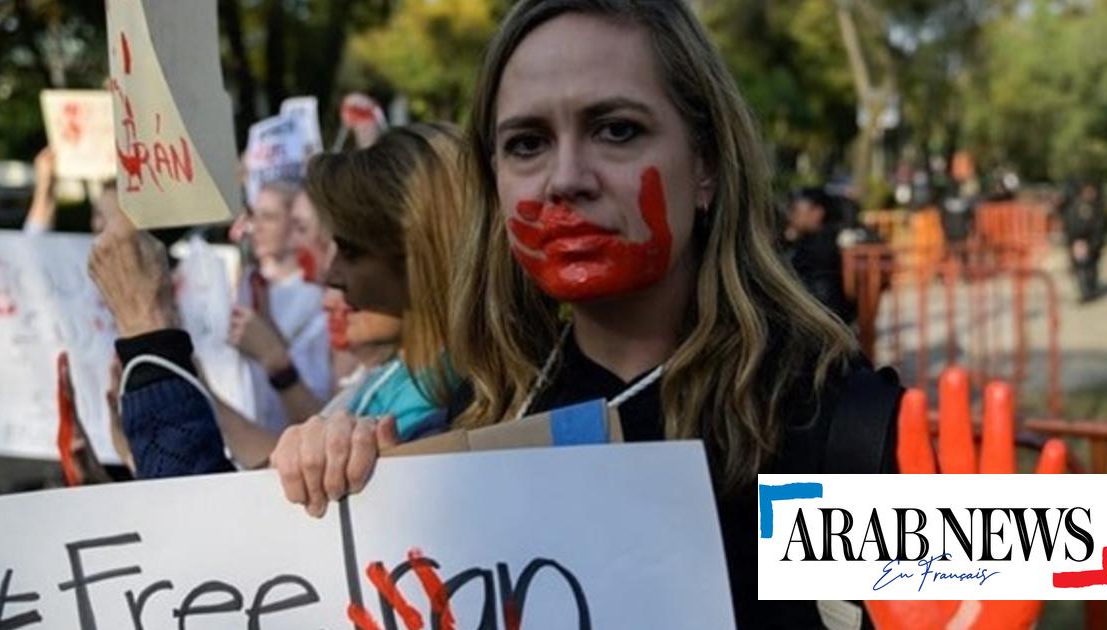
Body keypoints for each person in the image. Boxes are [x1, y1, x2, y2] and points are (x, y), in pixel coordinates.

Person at [271, 2, 902, 627]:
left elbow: (952, 602)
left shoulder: (815, 423)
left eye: (617, 130)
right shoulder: (474, 424)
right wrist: (335, 476)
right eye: (527, 143)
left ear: (705, 163)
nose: (565, 179)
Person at [89, 122, 468, 477]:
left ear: (425, 259)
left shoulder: (430, 411)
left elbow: (221, 527)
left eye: (351, 252)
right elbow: (267, 482)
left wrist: (147, 327)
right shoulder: (395, 377)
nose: (330, 276)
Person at [234, 179, 332, 434]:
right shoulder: (246, 282)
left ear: (295, 225)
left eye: (269, 217)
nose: (256, 227)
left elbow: (316, 388)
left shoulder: (317, 293)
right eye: (254, 216)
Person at [783, 187, 856, 324]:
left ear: (817, 212)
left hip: (822, 320)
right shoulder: (812, 240)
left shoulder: (821, 245)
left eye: (796, 210)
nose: (792, 216)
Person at [1062, 182, 1107, 303]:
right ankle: (1086, 292)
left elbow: (1101, 226)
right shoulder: (1077, 206)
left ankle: (1090, 290)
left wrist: (1097, 242)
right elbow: (1072, 226)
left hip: (1093, 242)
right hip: (1081, 242)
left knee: (1092, 267)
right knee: (1082, 268)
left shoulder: (1098, 206)